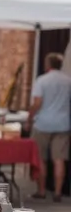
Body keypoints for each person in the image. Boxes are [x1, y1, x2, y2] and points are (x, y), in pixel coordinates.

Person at [29, 51, 71, 203]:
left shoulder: (42, 80)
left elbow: (37, 102)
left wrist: (29, 117)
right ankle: (58, 192)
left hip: (43, 124)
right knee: (59, 159)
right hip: (63, 124)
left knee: (41, 159)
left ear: (47, 65)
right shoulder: (68, 81)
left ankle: (41, 191)